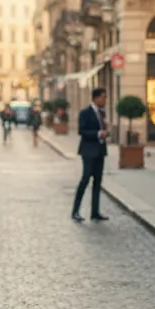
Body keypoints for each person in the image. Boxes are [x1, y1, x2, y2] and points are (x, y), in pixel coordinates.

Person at [71, 88, 109, 222]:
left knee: (98, 182)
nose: (105, 101)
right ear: (96, 98)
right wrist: (98, 133)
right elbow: (82, 131)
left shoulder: (102, 113)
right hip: (88, 151)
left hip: (100, 151)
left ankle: (95, 211)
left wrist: (105, 132)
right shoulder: (85, 113)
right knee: (85, 179)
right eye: (104, 98)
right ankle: (75, 210)